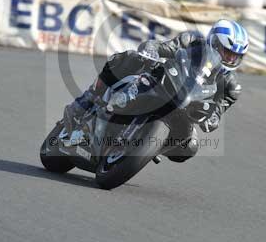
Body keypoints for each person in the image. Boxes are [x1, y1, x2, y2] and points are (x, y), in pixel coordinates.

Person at [63, 19, 248, 163]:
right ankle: (86, 100)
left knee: (190, 147)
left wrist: (213, 118)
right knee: (129, 59)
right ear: (214, 43)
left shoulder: (231, 87)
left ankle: (151, 148)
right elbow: (164, 47)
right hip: (167, 82)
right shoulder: (191, 42)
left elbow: (217, 111)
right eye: (227, 52)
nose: (230, 58)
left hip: (187, 107)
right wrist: (152, 50)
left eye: (235, 56)